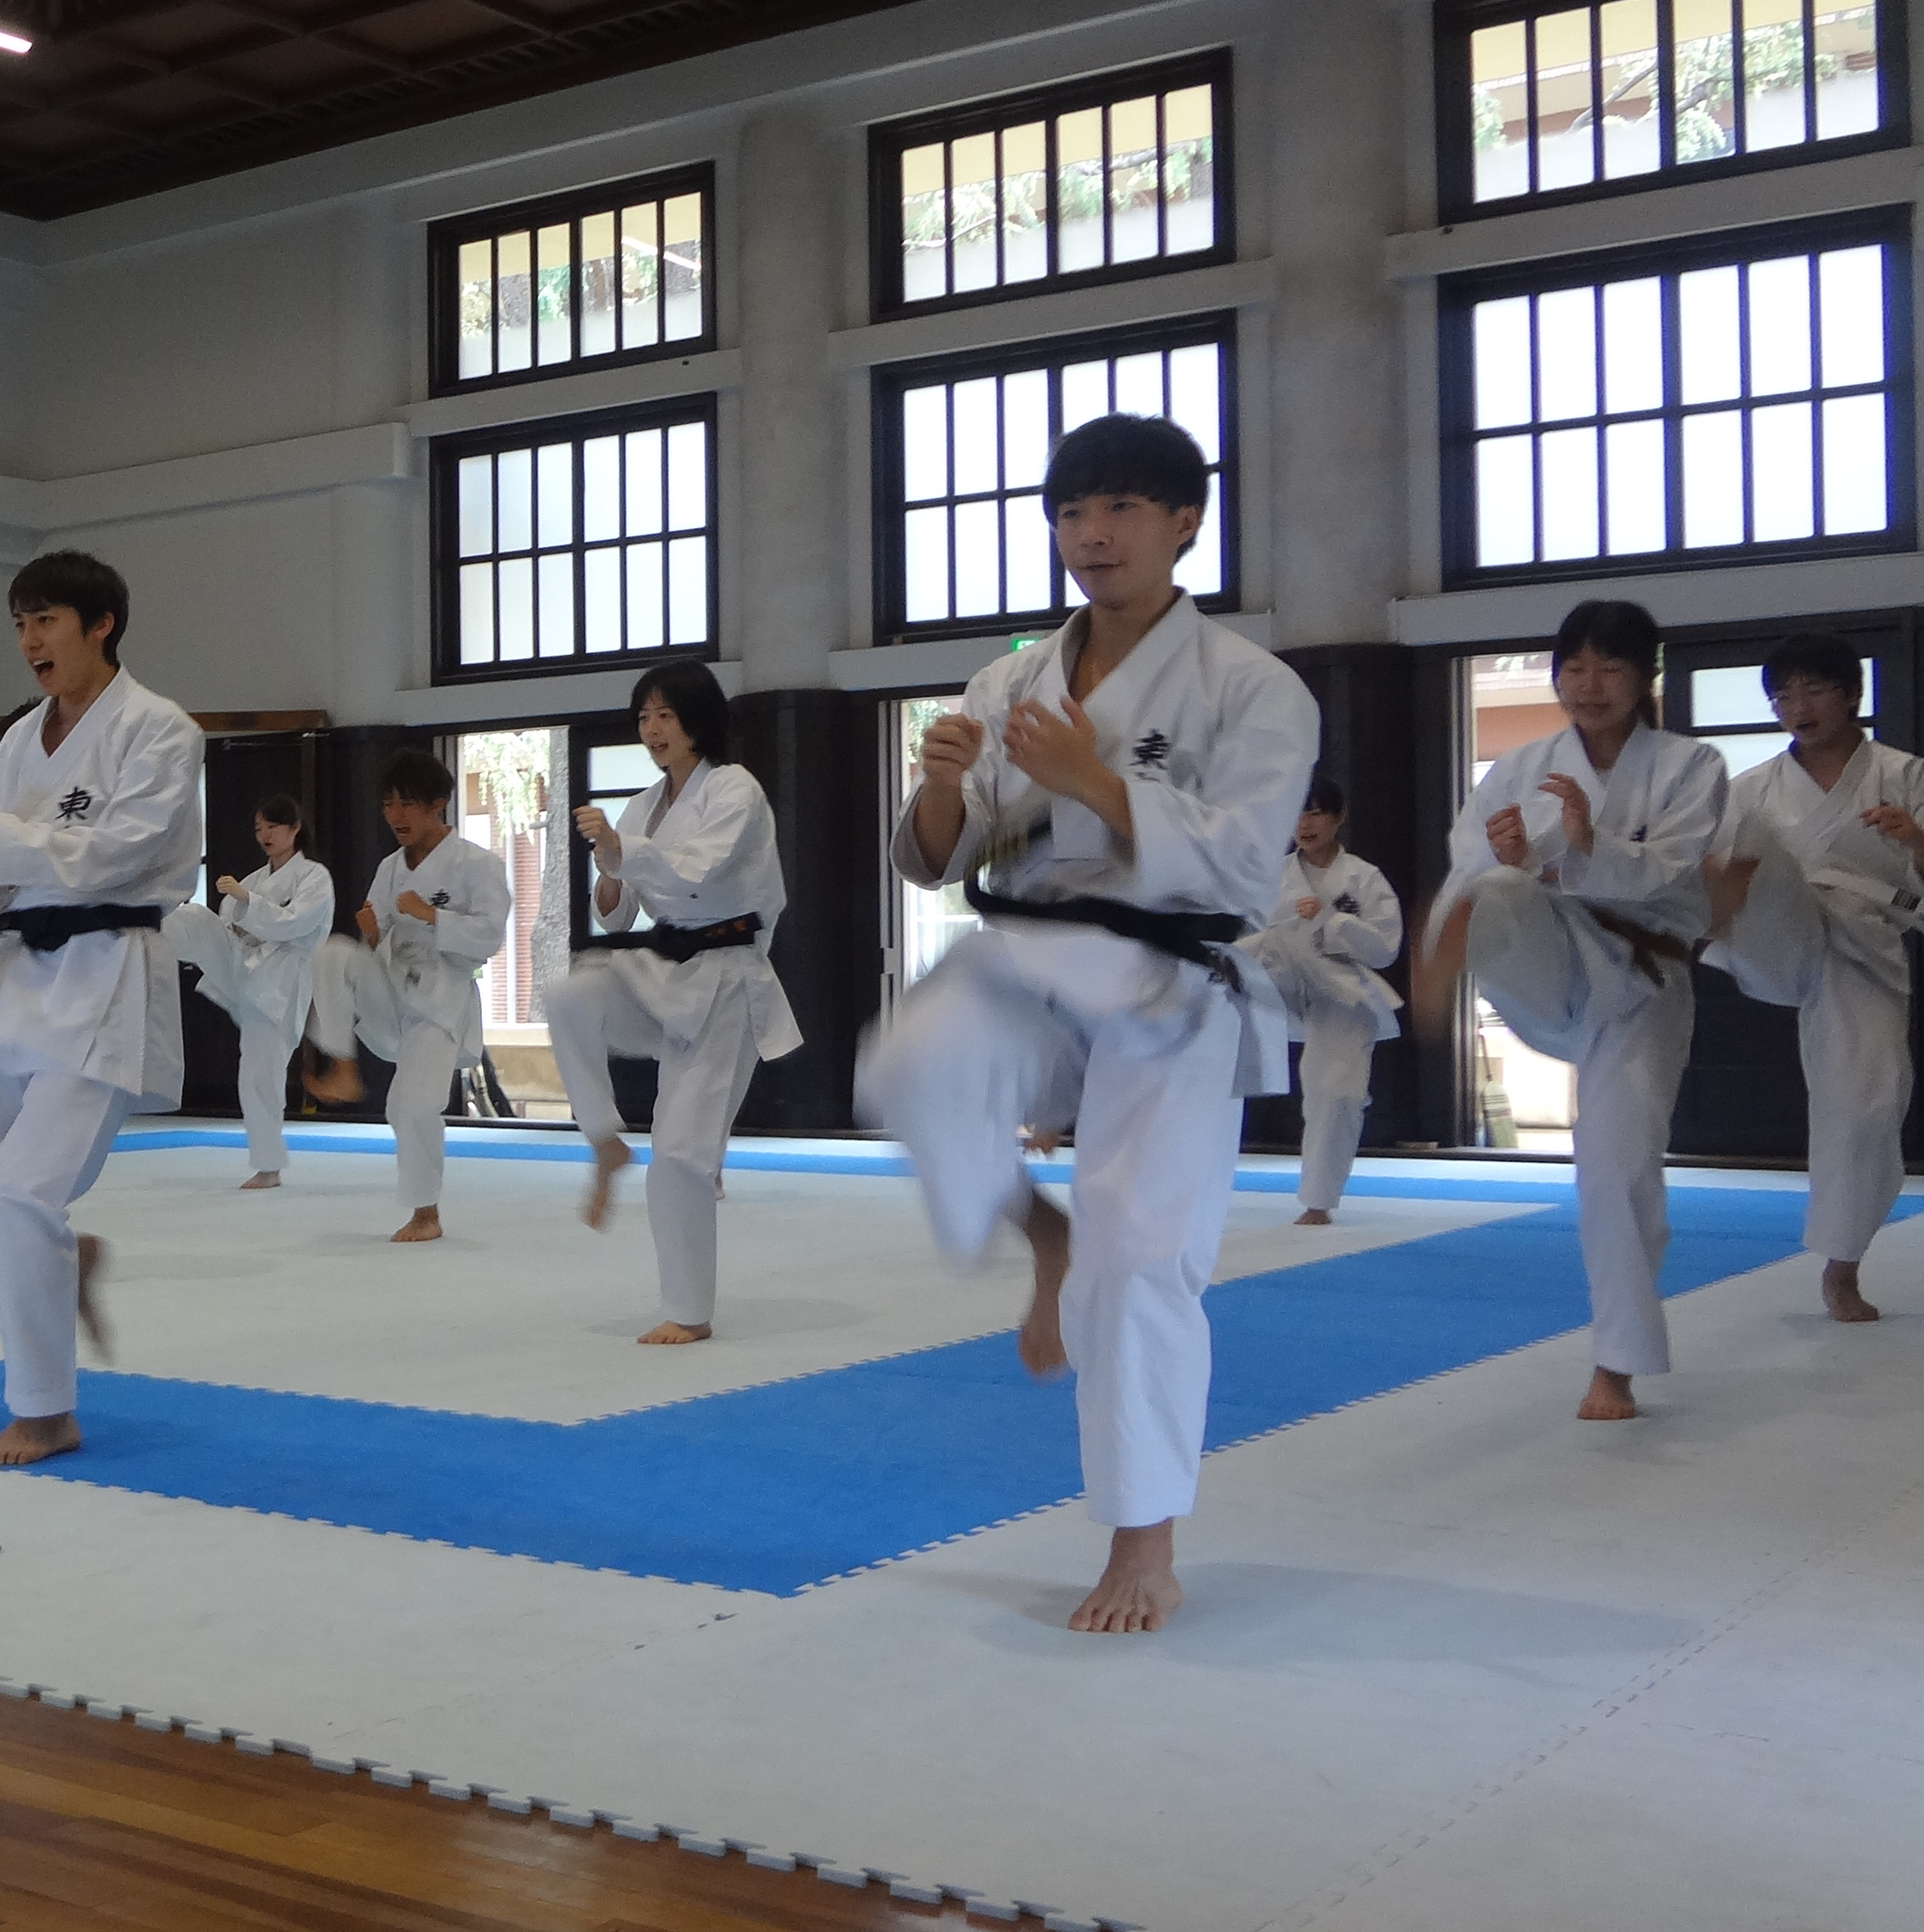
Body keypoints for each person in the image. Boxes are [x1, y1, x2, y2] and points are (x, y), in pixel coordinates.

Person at [862, 412, 1314, 1635]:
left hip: (1172, 977)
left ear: (1184, 522)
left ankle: (1143, 1541)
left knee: (1144, 1255)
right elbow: (940, 858)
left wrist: (1095, 784)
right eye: (1071, 511)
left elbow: (1242, 862)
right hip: (1035, 947)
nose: (1093, 534)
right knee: (911, 1062)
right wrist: (941, 785)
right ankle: (1043, 1232)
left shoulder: (1252, 688)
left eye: (1121, 508)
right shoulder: (1010, 681)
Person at [0, 549, 201, 1465]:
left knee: (20, 1194)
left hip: (102, 977)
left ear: (101, 625)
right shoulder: (23, 738)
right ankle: (61, 1265)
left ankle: (47, 1412)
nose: (29, 641)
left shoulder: (161, 730)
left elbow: (124, 851)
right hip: (14, 974)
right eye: (20, 624)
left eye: (46, 620)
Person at [1411, 598, 1723, 1423]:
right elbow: (1470, 847)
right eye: (1573, 668)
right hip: (1551, 960)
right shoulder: (1520, 767)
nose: (1588, 685)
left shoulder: (1692, 765)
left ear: (1645, 676)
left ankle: (1615, 1364)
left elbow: (1671, 869)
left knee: (1617, 1167)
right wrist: (1515, 856)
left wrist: (1588, 843)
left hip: (1643, 981)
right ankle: (1449, 944)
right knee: (1492, 883)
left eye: (1610, 667)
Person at [1703, 629, 1924, 1321]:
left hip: (1860, 944)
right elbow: (1716, 877)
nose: (1798, 707)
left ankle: (1842, 1265)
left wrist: (1912, 837)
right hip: (1775, 935)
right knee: (1748, 846)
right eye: (1783, 695)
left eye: (1814, 689)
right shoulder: (1754, 788)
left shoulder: (1905, 775)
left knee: (1868, 1106)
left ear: (1852, 694)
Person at [549, 659, 799, 1344]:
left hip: (729, 979)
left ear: (697, 720)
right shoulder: (642, 805)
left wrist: (622, 849)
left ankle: (688, 1310)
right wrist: (607, 868)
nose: (652, 728)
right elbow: (616, 915)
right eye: (643, 716)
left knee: (681, 1155)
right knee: (570, 996)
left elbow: (697, 874)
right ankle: (604, 1141)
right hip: (665, 975)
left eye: (665, 714)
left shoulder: (734, 789)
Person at [300, 748, 513, 1244]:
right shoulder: (390, 866)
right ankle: (344, 1068)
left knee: (410, 1106)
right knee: (331, 953)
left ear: (437, 804)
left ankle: (425, 1213)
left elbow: (490, 938)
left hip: (441, 1001)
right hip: (391, 986)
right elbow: (378, 936)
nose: (395, 815)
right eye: (388, 804)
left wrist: (432, 915)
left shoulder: (477, 864)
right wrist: (374, 933)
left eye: (407, 804)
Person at [1251, 777, 1401, 1227]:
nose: (1304, 824)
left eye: (1315, 812)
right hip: (1275, 978)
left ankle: (1318, 1200)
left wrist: (1333, 920)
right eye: (1297, 813)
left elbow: (1385, 948)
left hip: (1339, 989)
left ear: (1338, 818)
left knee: (1334, 1093)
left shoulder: (1364, 878)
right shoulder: (1272, 874)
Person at [163, 794, 332, 1187]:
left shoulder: (314, 877)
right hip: (243, 967)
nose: (264, 835)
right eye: (259, 828)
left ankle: (268, 1166)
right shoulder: (256, 878)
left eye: (272, 826)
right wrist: (242, 912)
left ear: (294, 828)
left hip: (280, 983)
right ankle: (139, 942)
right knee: (193, 917)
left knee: (258, 1074)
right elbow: (228, 920)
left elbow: (296, 923)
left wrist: (247, 902)